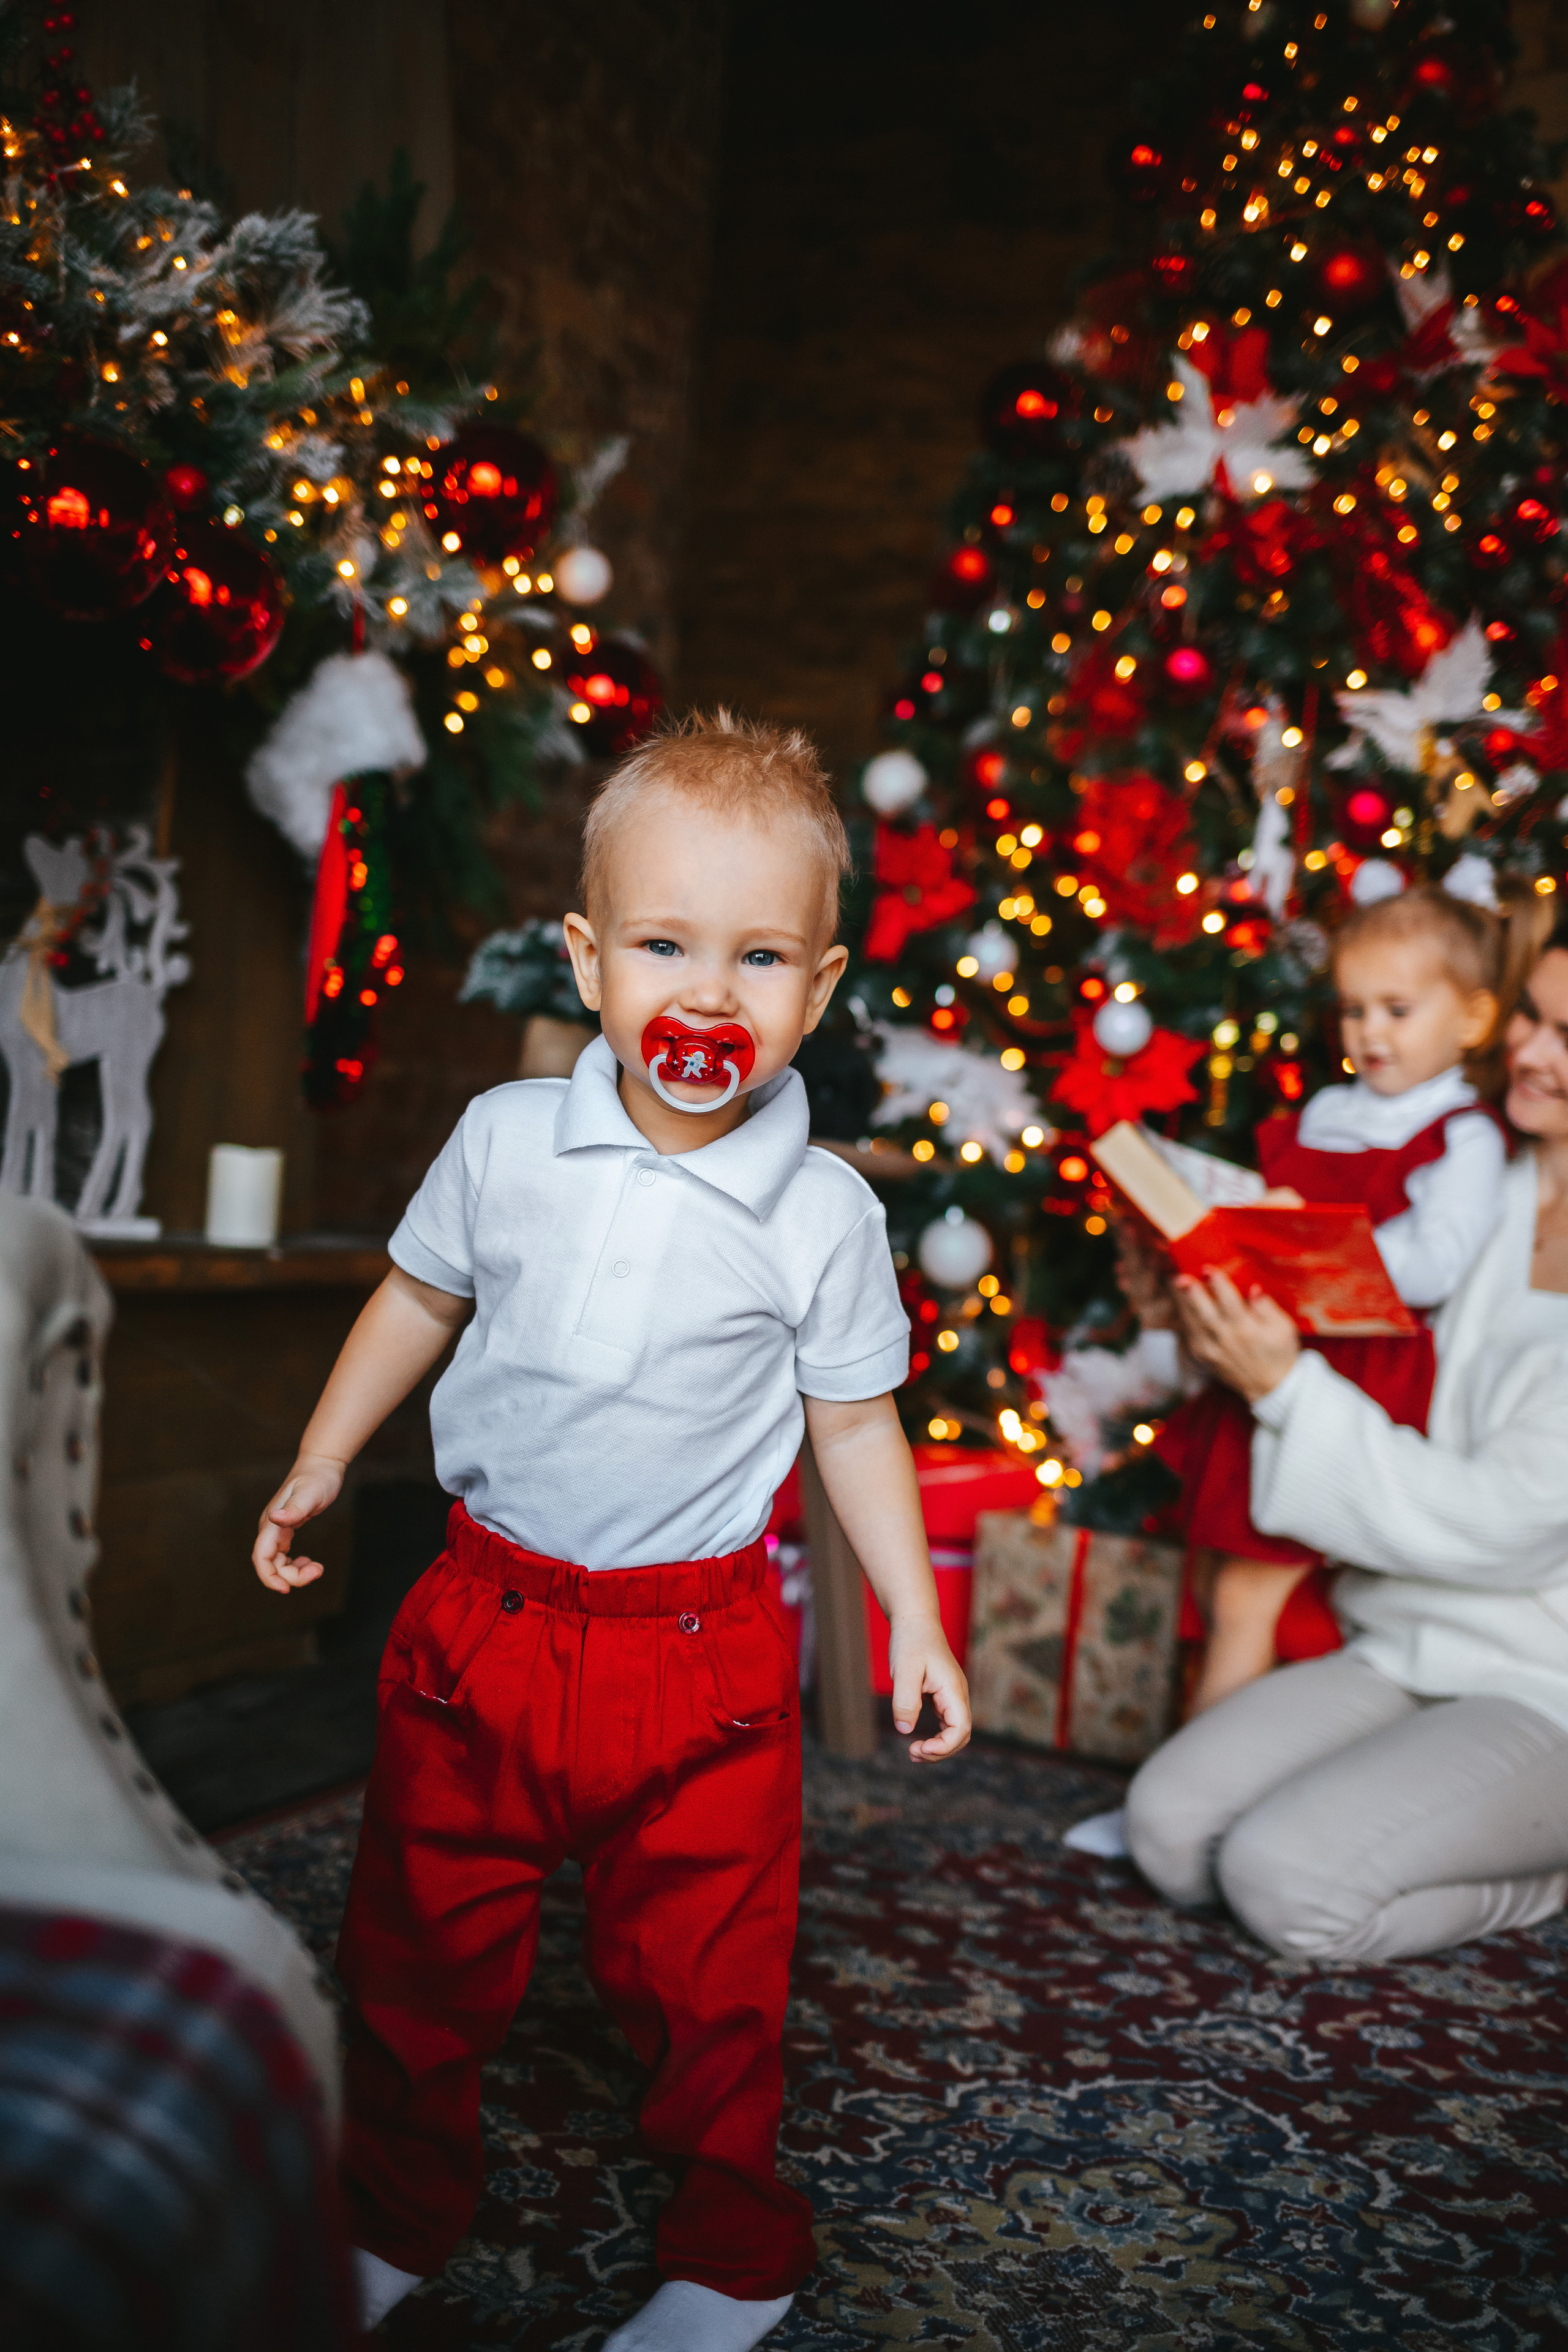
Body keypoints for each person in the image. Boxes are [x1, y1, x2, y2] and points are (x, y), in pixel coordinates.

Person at [251, 712, 971, 2347]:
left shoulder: (823, 1213)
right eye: (663, 945)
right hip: (483, 1625)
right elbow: (415, 1301)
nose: (708, 993)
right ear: (587, 960)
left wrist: (915, 1619)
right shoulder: (507, 1141)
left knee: (713, 1972)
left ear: (818, 991)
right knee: (414, 1946)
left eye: (759, 957)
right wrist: (319, 1456)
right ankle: (390, 2206)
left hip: (695, 1656)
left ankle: (733, 2255)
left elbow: (856, 1424)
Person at [1124, 912, 1568, 1965]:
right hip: (1402, 1638)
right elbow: (1363, 1325)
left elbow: (1500, 1527)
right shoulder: (1490, 1184)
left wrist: (1283, 1386)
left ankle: (1542, 1868)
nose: (1528, 1050)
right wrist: (1202, 1304)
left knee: (1285, 1882)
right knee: (1170, 1832)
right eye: (1532, 1017)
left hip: (1545, 1681)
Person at [1157, 884, 1515, 1713]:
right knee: (1211, 1581)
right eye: (1353, 1010)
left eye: (1397, 1010)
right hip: (1261, 1360)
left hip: (1350, 1381)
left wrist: (1313, 1241)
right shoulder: (1327, 1110)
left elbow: (1436, 1264)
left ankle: (1197, 1775)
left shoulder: (1462, 1132)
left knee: (1248, 1595)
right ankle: (1215, 1752)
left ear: (1472, 1020)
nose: (1369, 1033)